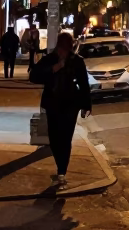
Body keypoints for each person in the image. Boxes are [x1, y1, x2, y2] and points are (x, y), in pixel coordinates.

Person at [30, 31, 91, 189]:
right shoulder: (50, 60)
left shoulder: (77, 61)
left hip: (71, 104)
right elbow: (34, 76)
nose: (63, 52)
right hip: (53, 104)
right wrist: (54, 68)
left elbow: (84, 84)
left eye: (66, 49)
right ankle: (60, 168)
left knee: (66, 138)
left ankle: (61, 172)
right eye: (61, 49)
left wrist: (86, 106)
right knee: (55, 138)